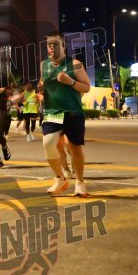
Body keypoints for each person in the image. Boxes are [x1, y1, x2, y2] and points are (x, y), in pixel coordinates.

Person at [37, 31, 92, 197]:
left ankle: (80, 182)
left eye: (55, 44)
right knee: (48, 143)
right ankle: (60, 178)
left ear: (63, 46)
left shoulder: (75, 64)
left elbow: (87, 87)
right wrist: (41, 90)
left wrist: (71, 82)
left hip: (72, 111)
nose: (51, 48)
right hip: (52, 112)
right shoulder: (43, 65)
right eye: (49, 45)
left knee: (74, 147)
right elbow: (43, 87)